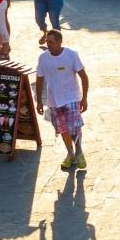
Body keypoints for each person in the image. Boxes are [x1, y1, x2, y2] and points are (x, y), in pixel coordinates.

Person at [34, 30, 89, 173]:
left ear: (59, 42)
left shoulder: (71, 55)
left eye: (51, 42)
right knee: (63, 128)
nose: (48, 44)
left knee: (74, 128)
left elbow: (84, 77)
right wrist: (39, 101)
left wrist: (84, 98)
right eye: (47, 42)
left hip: (71, 97)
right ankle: (70, 154)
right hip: (54, 100)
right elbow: (39, 79)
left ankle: (79, 152)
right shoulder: (43, 58)